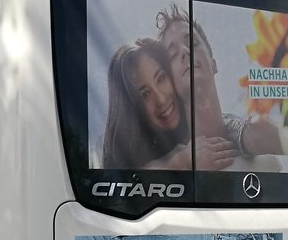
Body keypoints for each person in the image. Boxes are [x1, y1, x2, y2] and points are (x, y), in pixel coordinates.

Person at [157, 4, 282, 163]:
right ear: (171, 84)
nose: (184, 51)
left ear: (213, 64)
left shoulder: (266, 157)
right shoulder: (170, 165)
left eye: (192, 43)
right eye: (173, 54)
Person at [101, 38, 237, 170]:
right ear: (130, 111)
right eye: (145, 94)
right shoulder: (127, 164)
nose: (160, 99)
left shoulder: (216, 125)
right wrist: (180, 163)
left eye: (161, 78)